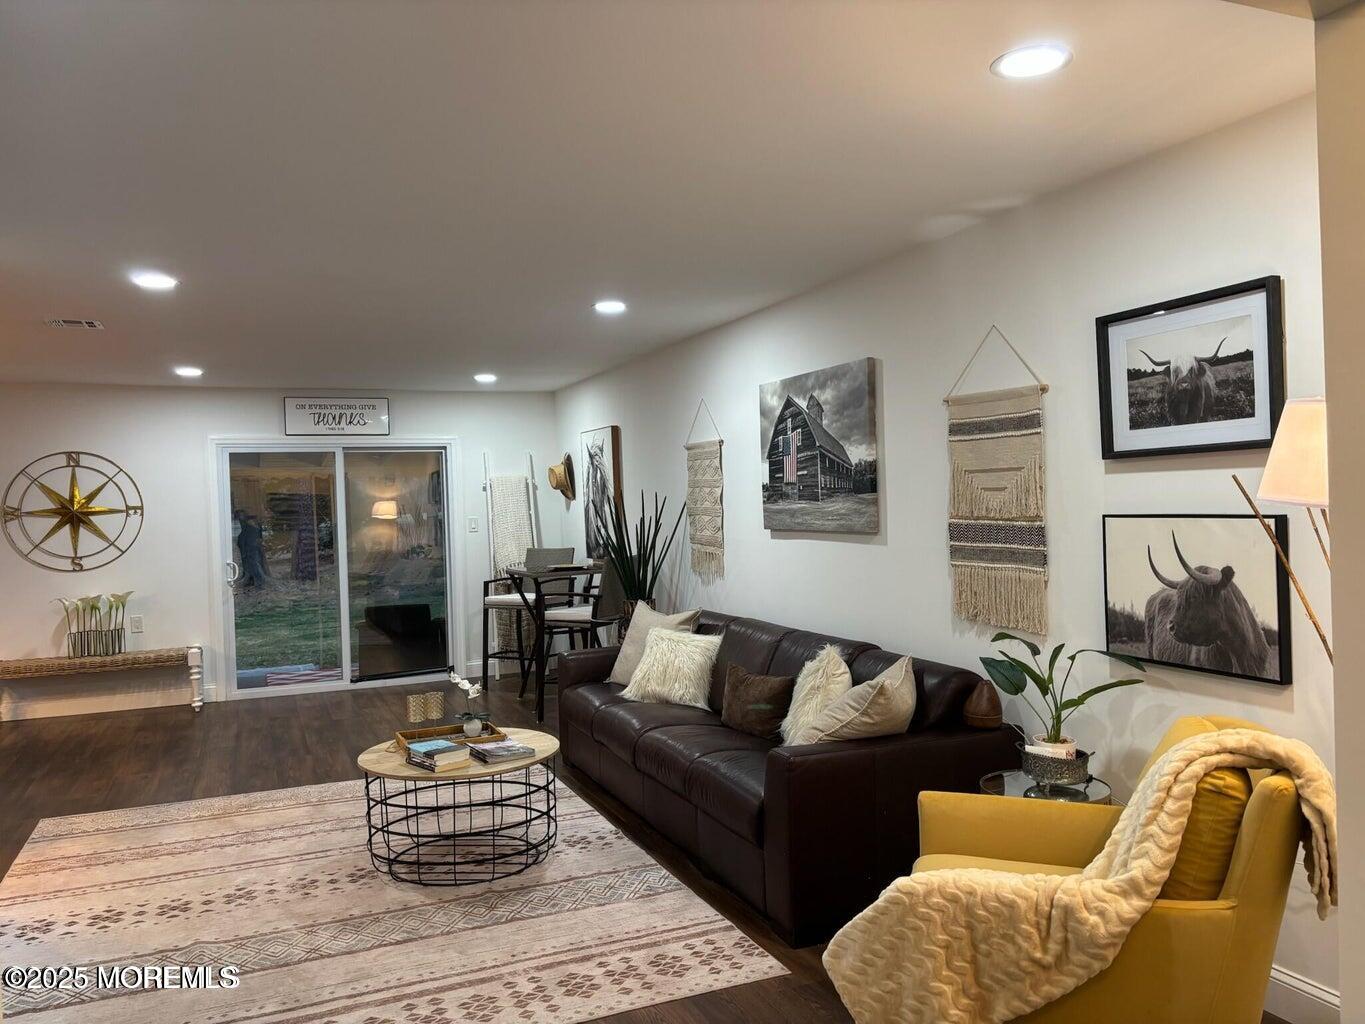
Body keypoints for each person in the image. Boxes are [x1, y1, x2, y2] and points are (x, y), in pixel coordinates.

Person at [234, 509, 270, 587]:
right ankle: (250, 578)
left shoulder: (251, 525)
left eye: (241, 516)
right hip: (248, 546)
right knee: (249, 563)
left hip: (252, 546)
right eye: (239, 516)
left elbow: (258, 536)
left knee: (254, 563)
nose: (240, 519)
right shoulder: (246, 527)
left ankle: (260, 582)